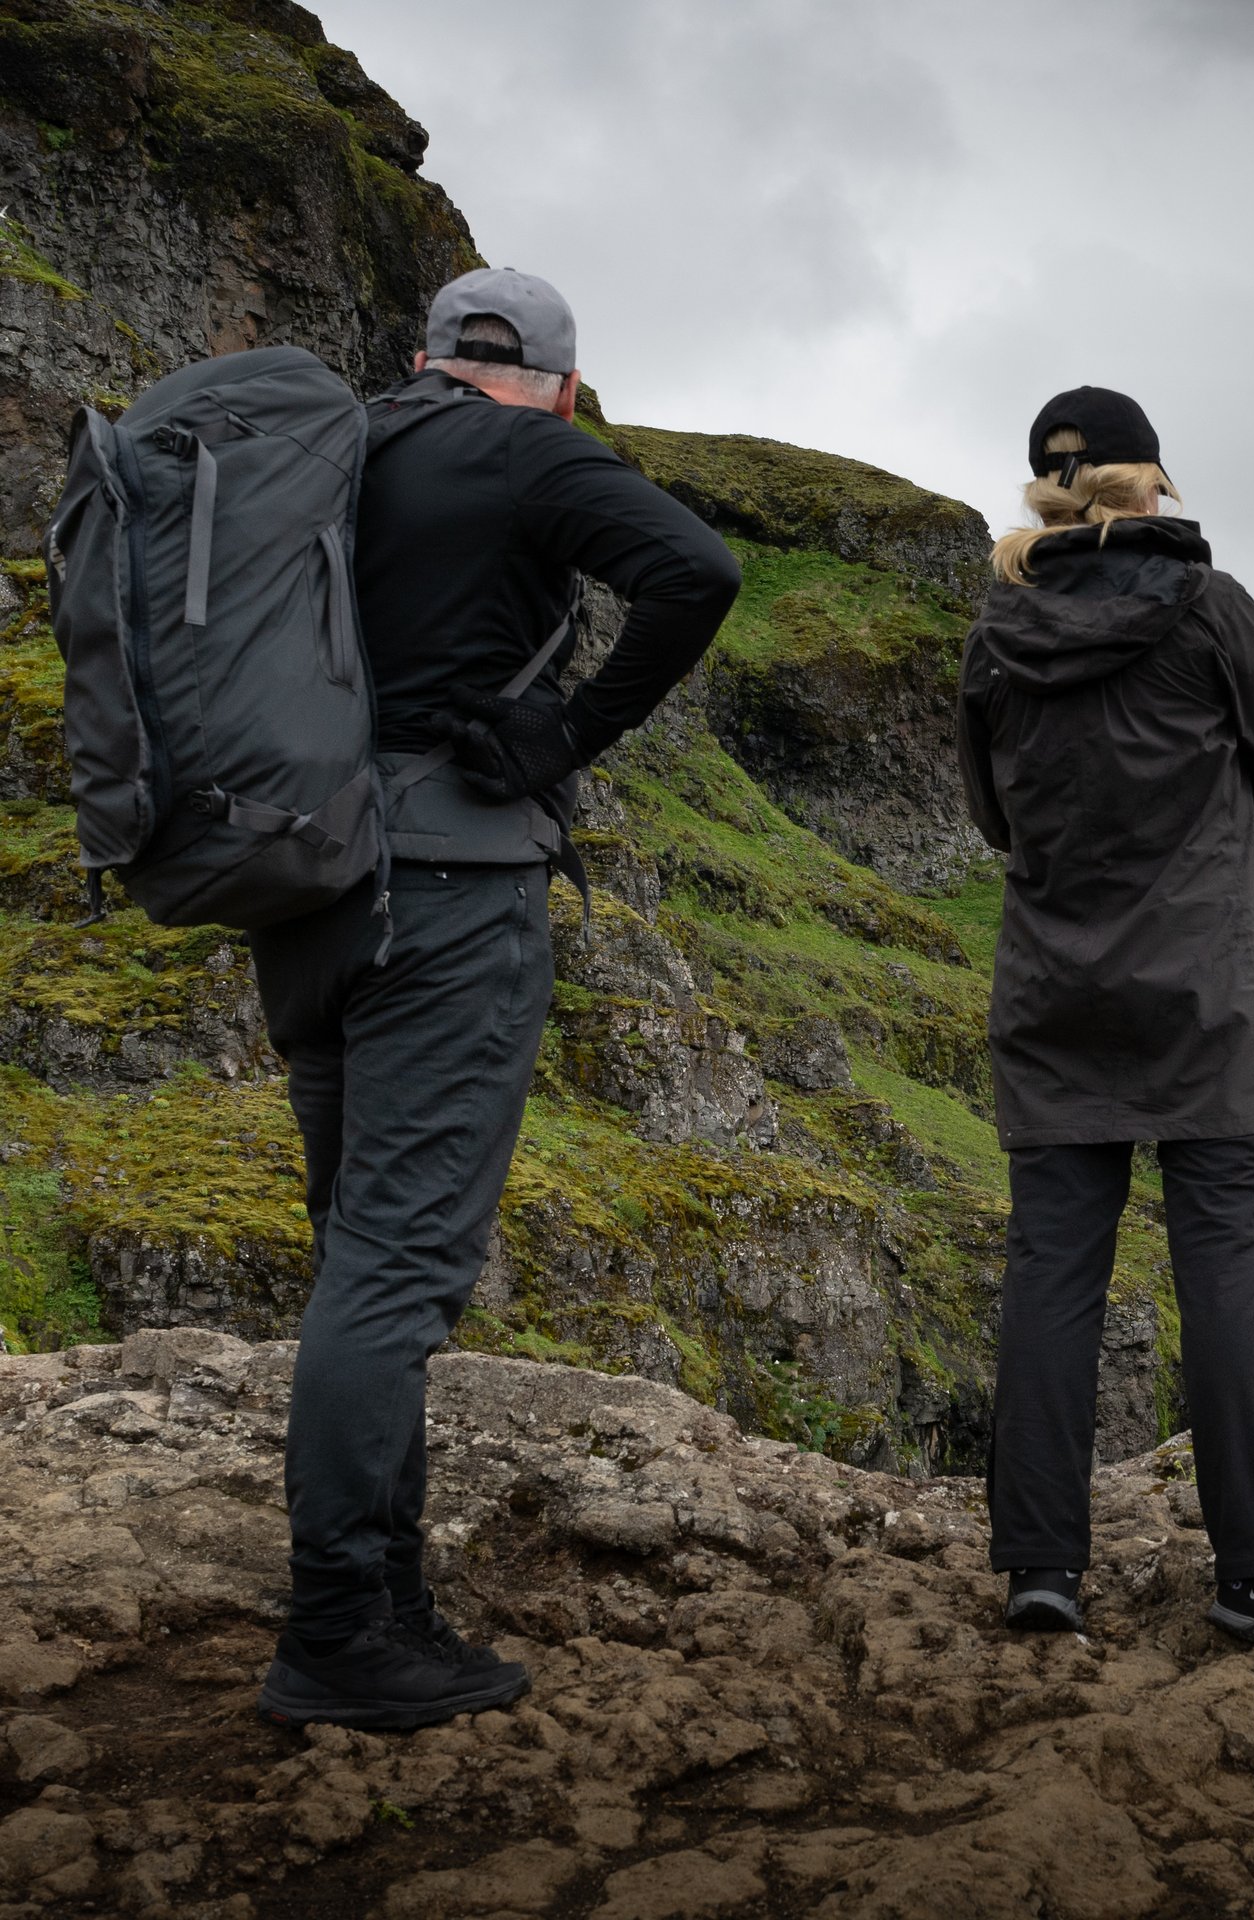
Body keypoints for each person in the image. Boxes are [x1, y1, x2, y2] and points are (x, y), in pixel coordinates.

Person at [253, 268, 741, 1729]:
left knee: (358, 1251)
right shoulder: (531, 449)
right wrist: (571, 730)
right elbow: (696, 573)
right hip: (450, 891)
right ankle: (337, 1628)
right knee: (395, 1271)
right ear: (561, 385)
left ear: (421, 358)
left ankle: (388, 1599)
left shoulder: (337, 444)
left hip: (305, 891)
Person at [957, 386, 1254, 1644]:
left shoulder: (998, 631)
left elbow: (991, 817)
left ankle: (1039, 1564)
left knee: (1052, 1274)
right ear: (1154, 481)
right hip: (1215, 996)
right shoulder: (1208, 608)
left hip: (1059, 992)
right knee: (1228, 1267)